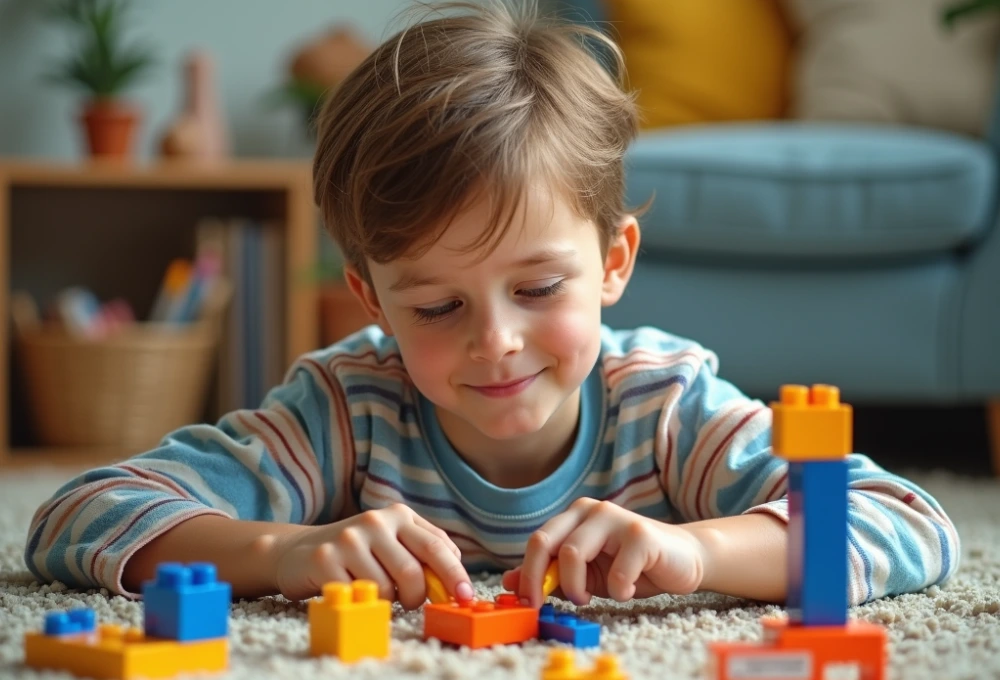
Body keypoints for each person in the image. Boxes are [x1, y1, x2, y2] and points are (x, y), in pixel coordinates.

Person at [25, 0, 958, 612]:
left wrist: (698, 554)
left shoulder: (666, 401)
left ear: (613, 262)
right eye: (435, 306)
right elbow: (81, 513)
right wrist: (283, 553)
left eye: (539, 289)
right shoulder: (347, 408)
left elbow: (910, 521)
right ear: (373, 300)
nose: (497, 342)